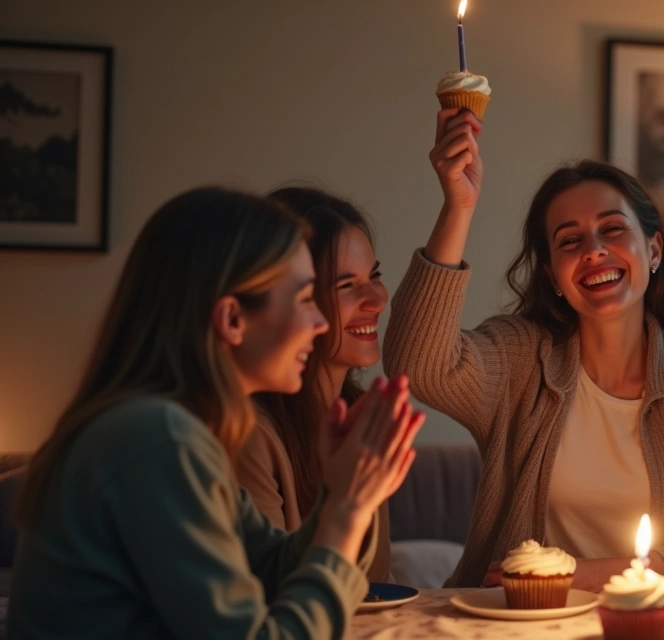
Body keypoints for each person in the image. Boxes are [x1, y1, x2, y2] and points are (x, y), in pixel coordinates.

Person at [7, 187, 423, 638]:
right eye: (305, 299)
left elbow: (269, 567)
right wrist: (346, 509)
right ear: (231, 319)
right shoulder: (156, 439)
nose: (320, 324)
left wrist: (337, 490)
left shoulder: (176, 430)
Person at [382, 109, 664, 592]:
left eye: (613, 229)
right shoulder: (519, 359)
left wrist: (573, 574)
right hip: (514, 623)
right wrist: (459, 206)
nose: (593, 250)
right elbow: (417, 365)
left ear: (654, 251)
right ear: (554, 275)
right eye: (570, 240)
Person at [237, 186, 394, 582]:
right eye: (346, 286)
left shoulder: (363, 422)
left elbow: (374, 587)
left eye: (374, 275)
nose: (377, 298)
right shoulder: (250, 435)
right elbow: (268, 598)